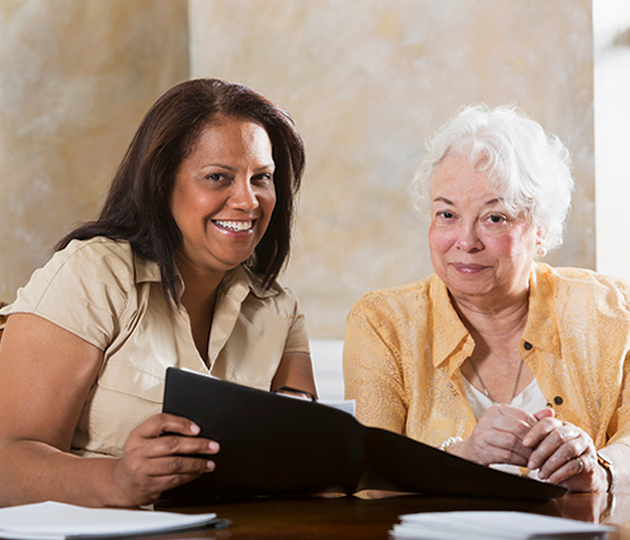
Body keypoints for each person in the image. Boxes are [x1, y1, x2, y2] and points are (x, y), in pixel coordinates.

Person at [0, 78, 316, 507]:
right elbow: (7, 465)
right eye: (218, 177)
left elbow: (308, 465)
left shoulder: (279, 310)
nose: (248, 200)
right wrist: (119, 480)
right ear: (162, 182)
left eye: (262, 178)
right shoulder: (95, 274)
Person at [343, 104, 630, 494]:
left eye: (494, 218)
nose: (466, 241)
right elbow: (366, 479)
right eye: (447, 215)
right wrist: (463, 457)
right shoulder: (384, 322)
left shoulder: (612, 312)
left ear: (541, 230)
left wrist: (599, 468)